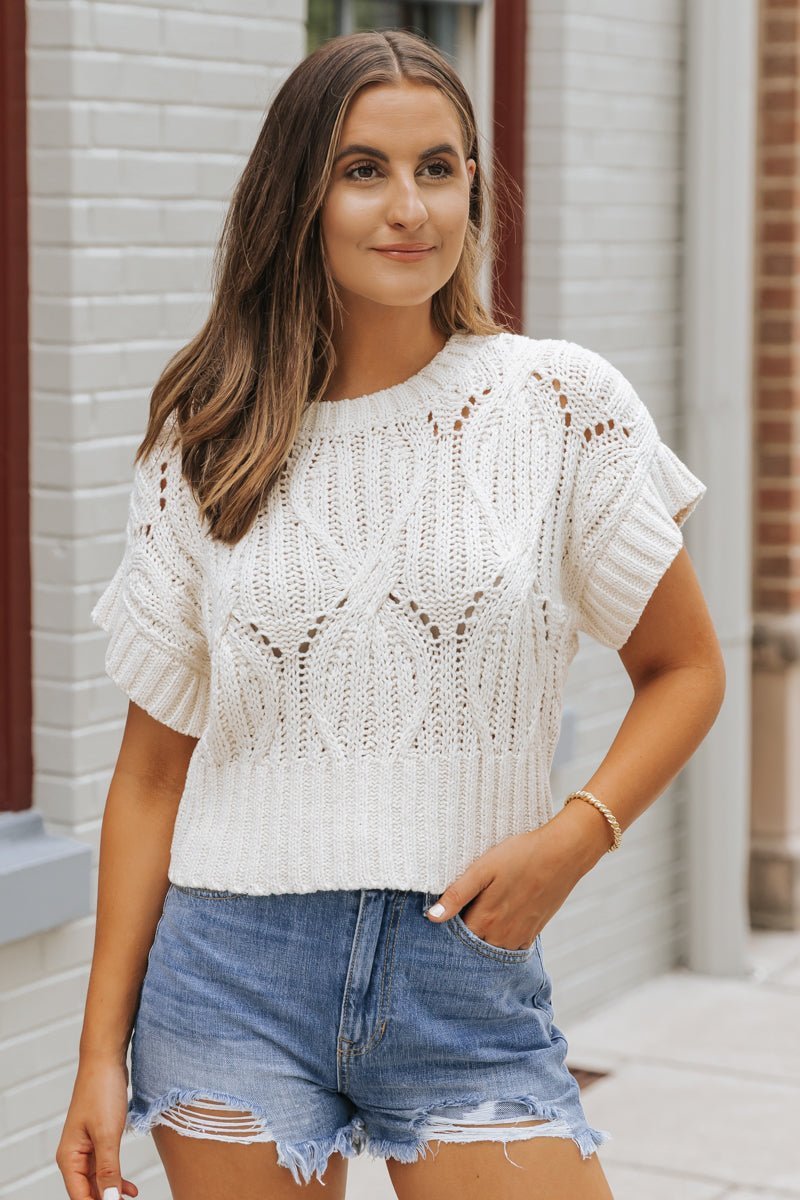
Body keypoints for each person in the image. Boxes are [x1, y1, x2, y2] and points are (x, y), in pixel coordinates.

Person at [55, 27, 726, 1200]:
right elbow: (151, 775)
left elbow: (684, 667)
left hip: (463, 976)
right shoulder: (206, 438)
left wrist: (572, 841)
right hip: (229, 978)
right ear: (298, 193)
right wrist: (95, 1056)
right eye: (362, 168)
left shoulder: (557, 406)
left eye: (438, 166)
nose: (406, 205)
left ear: (474, 181)